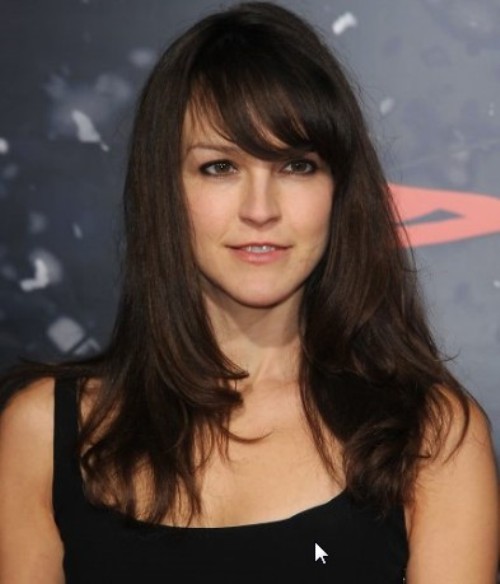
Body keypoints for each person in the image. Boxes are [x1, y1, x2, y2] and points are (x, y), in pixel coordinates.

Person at [0, 2, 497, 582]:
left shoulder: (431, 436)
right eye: (220, 167)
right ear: (165, 189)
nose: (260, 209)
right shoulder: (43, 433)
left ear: (339, 190)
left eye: (296, 166)